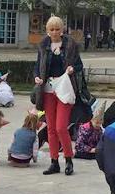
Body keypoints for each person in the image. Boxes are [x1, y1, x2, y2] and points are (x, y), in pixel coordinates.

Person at [34, 16, 84, 176]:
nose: (55, 32)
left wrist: (72, 69)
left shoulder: (70, 45)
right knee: (51, 128)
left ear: (62, 30)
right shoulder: (43, 46)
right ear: (47, 31)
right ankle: (54, 162)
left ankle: (68, 159)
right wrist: (37, 77)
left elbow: (79, 65)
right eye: (51, 29)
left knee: (61, 127)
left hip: (65, 89)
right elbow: (37, 66)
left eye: (57, 29)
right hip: (48, 89)